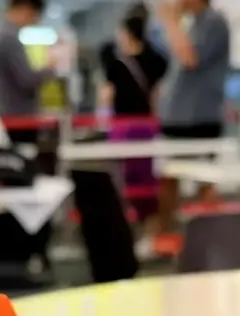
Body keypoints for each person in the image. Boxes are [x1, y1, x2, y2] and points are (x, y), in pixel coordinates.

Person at [155, 0, 231, 238]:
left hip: (199, 118)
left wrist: (169, 22)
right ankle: (166, 234)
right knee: (169, 179)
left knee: (204, 180)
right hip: (181, 118)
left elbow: (190, 57)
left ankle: (212, 238)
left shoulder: (213, 23)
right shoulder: (194, 24)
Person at [99, 4, 169, 224]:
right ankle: (146, 218)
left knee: (121, 173)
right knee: (145, 175)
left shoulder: (114, 62)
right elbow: (158, 93)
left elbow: (106, 96)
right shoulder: (157, 59)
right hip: (147, 125)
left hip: (122, 125)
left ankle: (122, 215)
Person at [0, 0, 56, 146]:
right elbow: (27, 79)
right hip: (16, 119)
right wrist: (49, 68)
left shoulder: (3, 36)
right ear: (26, 9)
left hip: (5, 116)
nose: (35, 20)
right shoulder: (9, 39)